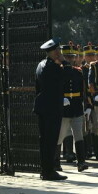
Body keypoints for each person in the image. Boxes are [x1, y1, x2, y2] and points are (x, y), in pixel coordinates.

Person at [35, 39, 66, 181]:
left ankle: (44, 170)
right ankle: (49, 172)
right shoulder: (53, 67)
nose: (59, 53)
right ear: (53, 52)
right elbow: (68, 76)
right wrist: (64, 62)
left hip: (42, 107)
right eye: (57, 50)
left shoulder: (41, 65)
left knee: (44, 141)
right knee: (51, 141)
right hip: (52, 109)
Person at [59, 43, 88, 172]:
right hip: (64, 107)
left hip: (76, 106)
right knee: (60, 136)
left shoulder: (78, 72)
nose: (70, 59)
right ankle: (55, 162)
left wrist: (86, 106)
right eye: (67, 57)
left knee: (79, 135)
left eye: (72, 57)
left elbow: (83, 91)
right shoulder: (58, 71)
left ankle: (81, 162)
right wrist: (60, 99)